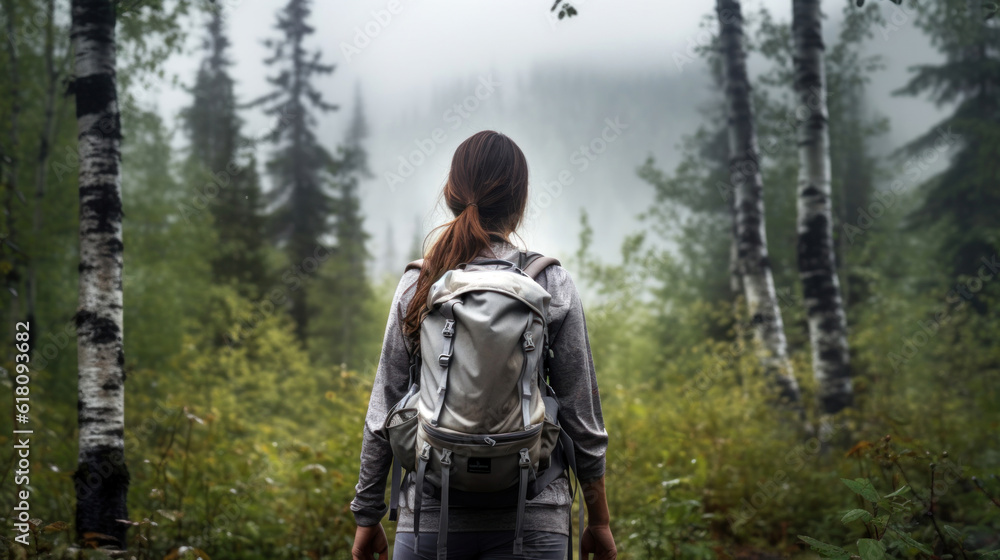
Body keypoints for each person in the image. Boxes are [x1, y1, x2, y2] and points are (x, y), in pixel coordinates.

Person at [350, 130, 616, 560]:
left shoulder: (420, 284)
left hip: (429, 520)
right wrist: (599, 521)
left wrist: (367, 516)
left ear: (452, 194)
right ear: (520, 199)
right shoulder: (549, 283)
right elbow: (582, 417)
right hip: (534, 518)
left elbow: (383, 410)